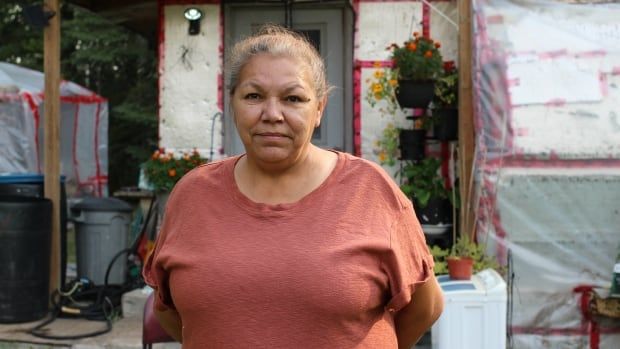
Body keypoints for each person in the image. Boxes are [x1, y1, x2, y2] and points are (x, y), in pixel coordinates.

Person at [143, 24, 443, 348]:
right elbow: (171, 311)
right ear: (232, 102)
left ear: (319, 108)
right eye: (254, 96)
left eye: (293, 98)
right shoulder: (193, 196)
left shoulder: (370, 192)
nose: (272, 114)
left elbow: (425, 308)